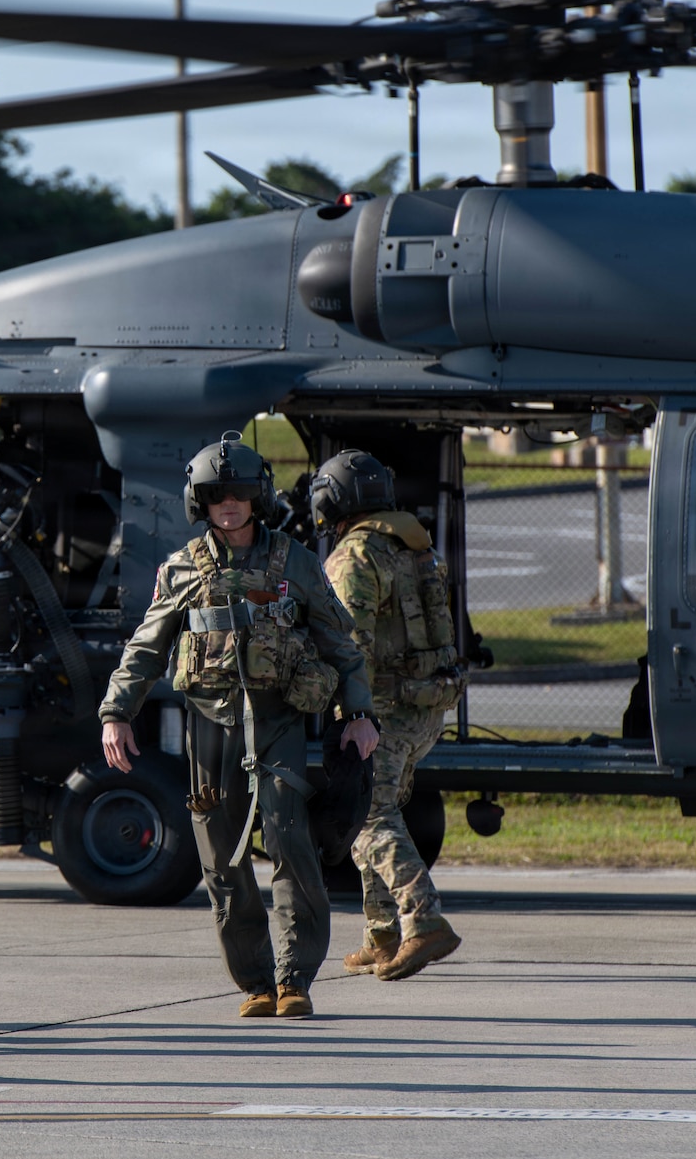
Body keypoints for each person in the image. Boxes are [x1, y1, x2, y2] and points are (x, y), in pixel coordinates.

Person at [100, 431, 378, 1019]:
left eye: (241, 492)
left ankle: (295, 978)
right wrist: (116, 712)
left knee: (287, 837)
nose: (229, 502)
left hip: (278, 718)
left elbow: (341, 646)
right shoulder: (181, 570)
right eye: (216, 493)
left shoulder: (295, 563)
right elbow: (146, 648)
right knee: (220, 854)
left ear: (259, 497)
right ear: (199, 502)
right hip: (210, 723)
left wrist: (358, 715)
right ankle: (255, 980)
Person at [312, 450, 467, 981]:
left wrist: (346, 707)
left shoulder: (355, 555)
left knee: (369, 819)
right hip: (424, 708)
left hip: (379, 710)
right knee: (378, 811)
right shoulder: (414, 546)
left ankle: (424, 919)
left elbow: (346, 640)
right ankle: (381, 937)